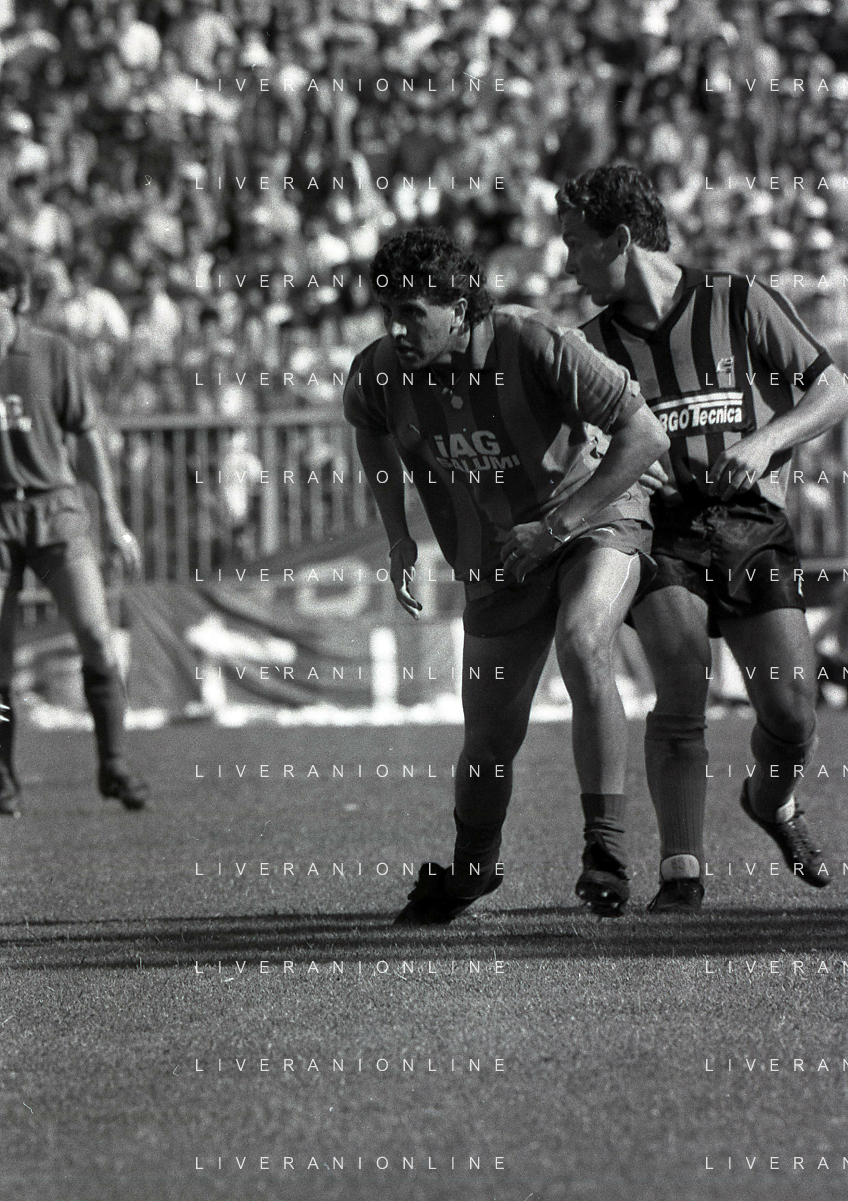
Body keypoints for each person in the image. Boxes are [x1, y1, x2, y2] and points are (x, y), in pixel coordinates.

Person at [343, 227, 669, 922]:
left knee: (583, 640)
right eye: (388, 312)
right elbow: (368, 428)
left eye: (412, 314)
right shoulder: (378, 371)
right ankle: (471, 870)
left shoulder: (535, 341)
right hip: (498, 557)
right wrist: (398, 536)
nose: (396, 329)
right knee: (488, 740)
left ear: (459, 308)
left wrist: (557, 525)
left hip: (594, 518)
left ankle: (606, 852)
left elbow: (646, 434)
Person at [556, 164, 848, 913]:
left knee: (792, 713)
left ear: (621, 239)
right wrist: (607, 468)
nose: (569, 261)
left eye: (577, 243)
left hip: (752, 525)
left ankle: (771, 802)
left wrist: (768, 440)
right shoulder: (589, 344)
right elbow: (578, 447)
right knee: (680, 693)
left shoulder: (739, 300)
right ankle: (680, 872)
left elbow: (833, 389)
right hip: (663, 534)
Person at [0, 249, 147, 816]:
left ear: (14, 298)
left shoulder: (52, 352)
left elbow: (85, 439)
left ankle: (114, 764)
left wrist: (111, 518)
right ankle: (3, 779)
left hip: (55, 510)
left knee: (95, 633)